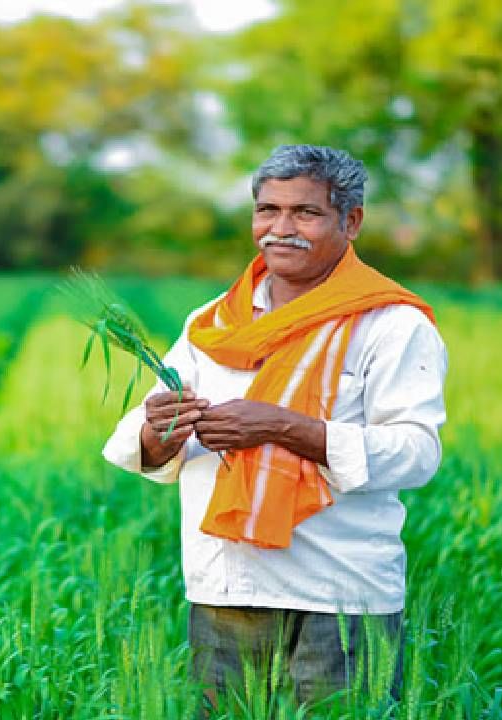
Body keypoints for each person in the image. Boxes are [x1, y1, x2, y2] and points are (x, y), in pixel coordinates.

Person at [101, 144, 448, 713]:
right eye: (268, 210)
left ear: (351, 221)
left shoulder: (391, 324)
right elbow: (145, 433)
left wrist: (286, 428)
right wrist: (155, 428)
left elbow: (417, 453)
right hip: (227, 584)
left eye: (305, 213)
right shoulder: (213, 320)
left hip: (342, 591)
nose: (280, 229)